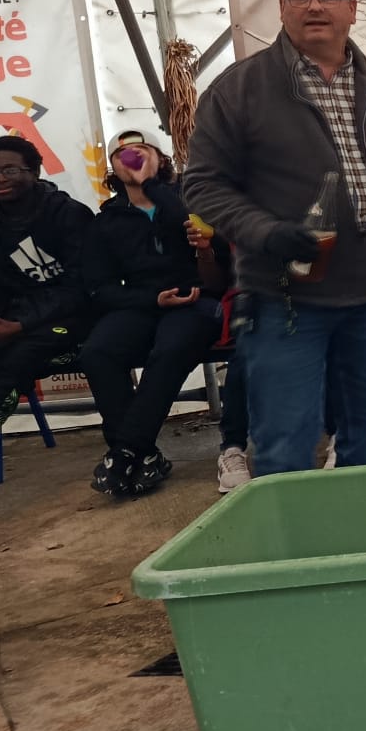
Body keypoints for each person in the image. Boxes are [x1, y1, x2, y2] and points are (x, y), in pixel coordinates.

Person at [184, 0, 366, 476]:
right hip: (284, 299)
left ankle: (359, 524)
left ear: (352, 9)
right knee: (287, 437)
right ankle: (294, 530)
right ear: (281, 8)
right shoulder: (238, 90)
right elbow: (203, 184)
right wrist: (265, 231)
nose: (315, 6)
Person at [77, 133, 226, 497]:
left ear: (161, 159)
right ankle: (143, 454)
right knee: (98, 352)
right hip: (144, 303)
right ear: (112, 167)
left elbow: (219, 257)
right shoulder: (107, 220)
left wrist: (151, 185)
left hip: (197, 300)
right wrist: (152, 299)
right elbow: (100, 287)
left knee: (171, 347)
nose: (132, 156)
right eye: (121, 153)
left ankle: (124, 451)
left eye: (142, 150)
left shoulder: (191, 201)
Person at [0, 134, 95, 448]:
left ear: (34, 172)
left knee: (18, 355)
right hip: (11, 319)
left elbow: (80, 289)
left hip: (69, 323)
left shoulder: (70, 214)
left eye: (10, 170)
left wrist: (19, 325)